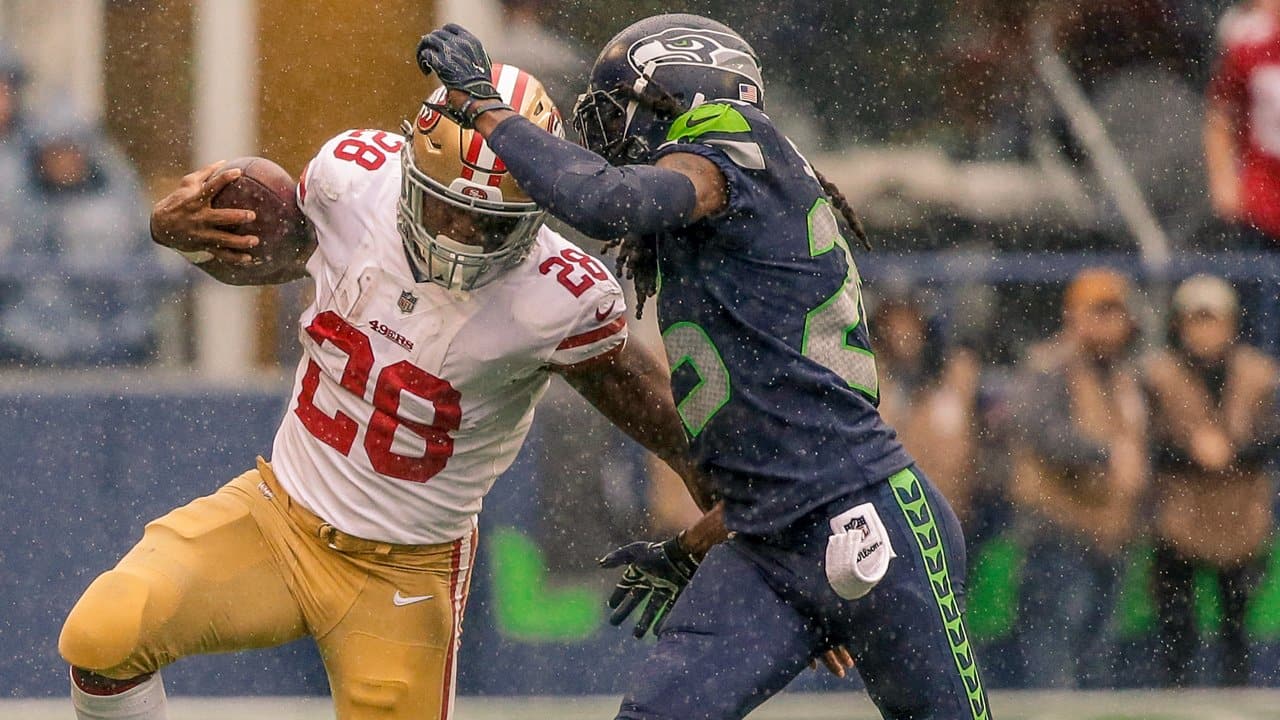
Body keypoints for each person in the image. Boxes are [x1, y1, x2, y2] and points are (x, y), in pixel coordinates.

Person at [56, 65, 701, 720]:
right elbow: (279, 259)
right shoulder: (351, 180)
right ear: (407, 168)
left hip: (405, 574)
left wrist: (739, 503)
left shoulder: (560, 296)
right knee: (103, 634)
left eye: (488, 222)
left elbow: (656, 410)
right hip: (278, 517)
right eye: (446, 207)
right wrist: (180, 236)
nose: (458, 236)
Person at [417, 16, 990, 720]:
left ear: (672, 94)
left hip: (870, 517)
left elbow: (605, 199)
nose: (612, 138)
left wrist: (484, 104)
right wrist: (693, 543)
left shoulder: (729, 141)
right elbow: (772, 446)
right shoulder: (721, 207)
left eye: (618, 111)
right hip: (771, 541)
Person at [1008, 268, 1147, 688]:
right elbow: (1042, 433)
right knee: (1055, 661)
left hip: (1109, 534)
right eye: (1098, 312)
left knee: (1097, 659)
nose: (1108, 324)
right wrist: (1105, 454)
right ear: (1073, 316)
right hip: (1057, 533)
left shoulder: (1125, 374)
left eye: (1115, 313)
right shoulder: (1048, 366)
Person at [1142, 274, 1279, 687]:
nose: (1204, 331)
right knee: (1176, 631)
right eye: (1195, 321)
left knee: (1236, 631)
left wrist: (1233, 449)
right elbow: (1145, 439)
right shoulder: (1157, 374)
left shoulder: (1260, 373)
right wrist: (1191, 451)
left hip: (1240, 519)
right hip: (1180, 519)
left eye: (1212, 320)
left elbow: (1273, 436)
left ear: (1231, 323)